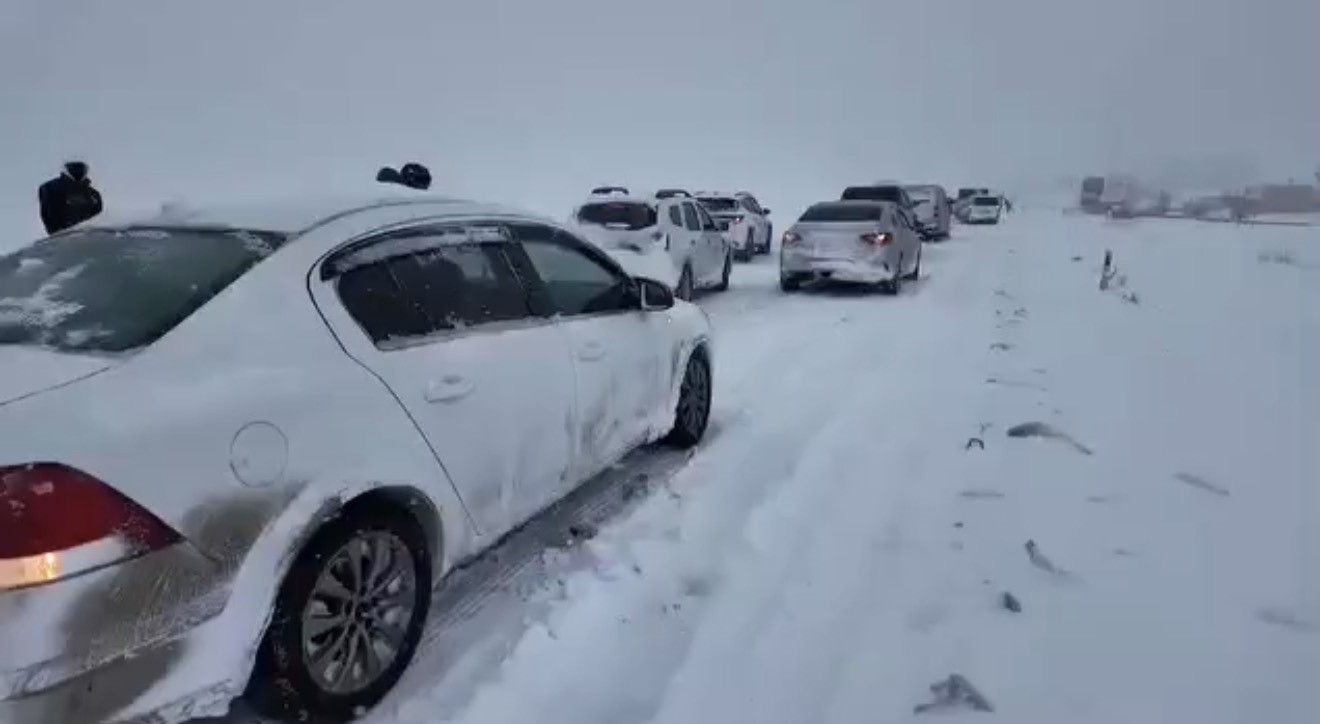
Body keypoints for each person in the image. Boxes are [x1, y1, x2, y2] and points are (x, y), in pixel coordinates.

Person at [38, 160, 103, 234]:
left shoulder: (93, 194)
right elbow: (48, 215)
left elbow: (98, 218)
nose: (77, 171)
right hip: (63, 236)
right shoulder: (50, 188)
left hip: (89, 236)